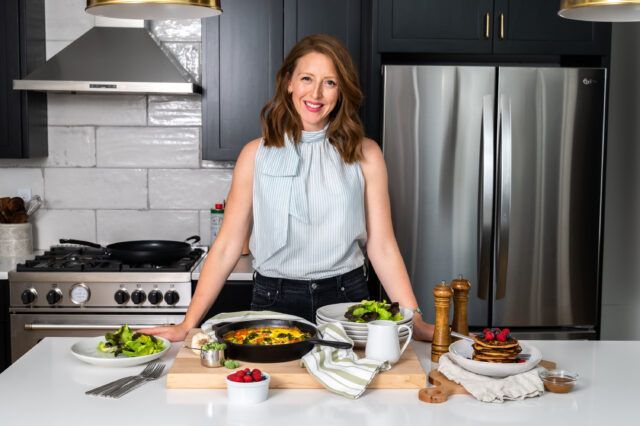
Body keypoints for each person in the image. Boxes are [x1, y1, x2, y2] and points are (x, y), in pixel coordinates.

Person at [146, 34, 434, 342]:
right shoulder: (254, 155)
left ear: (341, 91)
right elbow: (228, 245)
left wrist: (413, 319)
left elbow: (383, 247)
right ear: (289, 83)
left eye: (330, 82)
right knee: (277, 388)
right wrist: (187, 323)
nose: (316, 93)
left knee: (350, 388)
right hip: (273, 299)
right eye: (307, 78)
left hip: (346, 300)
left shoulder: (367, 155)